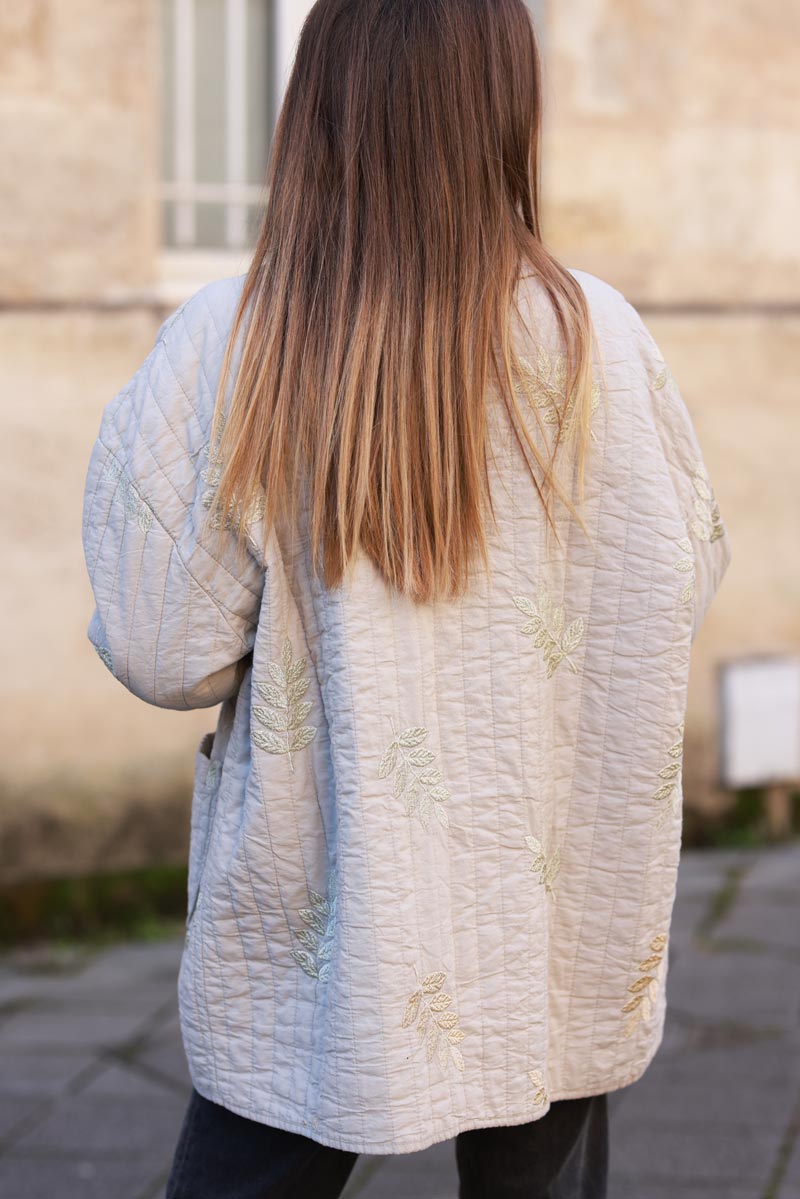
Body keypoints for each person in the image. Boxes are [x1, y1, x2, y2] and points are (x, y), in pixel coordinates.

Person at [80, 1, 731, 1196]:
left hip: (321, 893)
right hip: (554, 879)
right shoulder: (606, 344)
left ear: (312, 106)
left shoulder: (232, 344)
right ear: (506, 109)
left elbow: (160, 644)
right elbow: (670, 583)